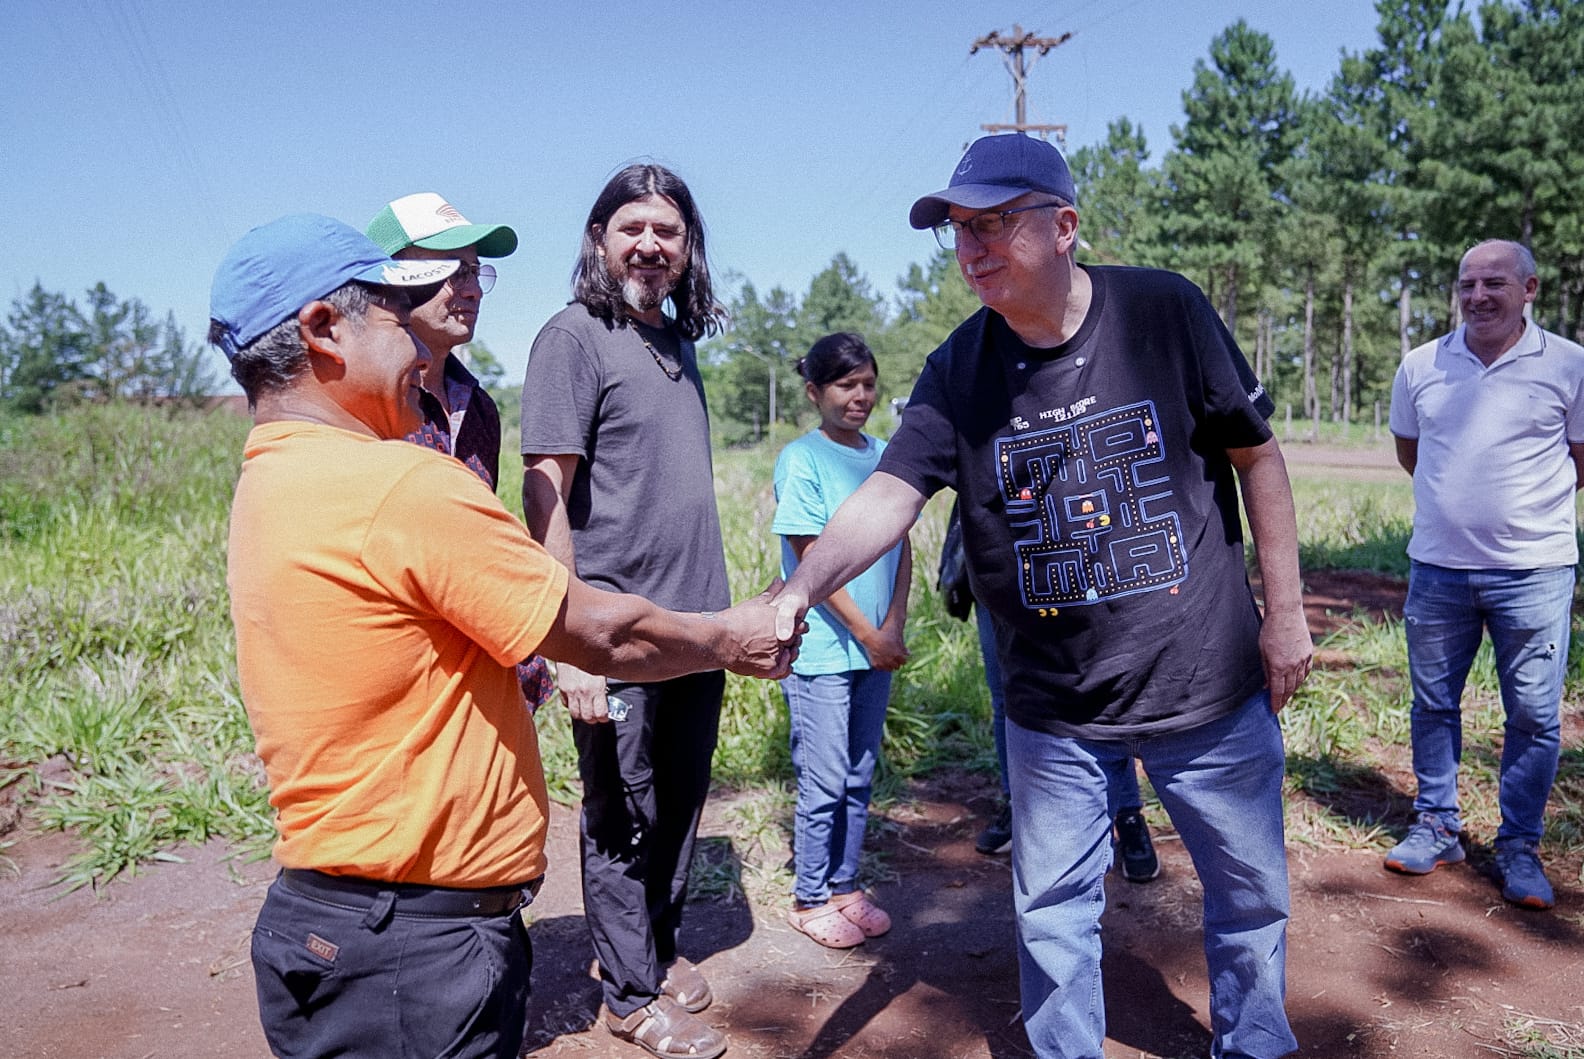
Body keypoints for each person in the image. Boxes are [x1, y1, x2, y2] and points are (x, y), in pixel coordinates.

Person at [771, 133, 1312, 1059]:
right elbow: (891, 494)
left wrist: (1288, 615)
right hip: (1053, 705)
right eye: (957, 229)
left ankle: (1255, 1042)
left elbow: (1255, 455)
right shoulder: (958, 366)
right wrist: (795, 592)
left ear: (1064, 226)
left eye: (993, 223)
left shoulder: (1163, 311)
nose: (971, 245)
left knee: (1249, 890)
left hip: (1204, 678)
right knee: (1053, 911)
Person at [210, 213, 794, 1059]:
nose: (414, 334)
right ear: (323, 330)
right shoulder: (399, 484)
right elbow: (596, 631)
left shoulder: (271, 478)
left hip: (335, 922)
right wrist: (729, 637)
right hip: (414, 948)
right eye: (390, 311)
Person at [519, 164, 732, 1058]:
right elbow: (545, 493)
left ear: (689, 250)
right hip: (613, 633)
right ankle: (631, 997)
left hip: (697, 630)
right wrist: (568, 642)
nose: (651, 245)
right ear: (600, 240)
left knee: (681, 801)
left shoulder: (679, 345)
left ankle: (649, 944)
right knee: (618, 812)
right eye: (632, 227)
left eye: (669, 231)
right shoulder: (572, 338)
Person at [1384, 239, 1584, 911]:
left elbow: (1580, 458)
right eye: (1466, 283)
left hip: (1535, 573)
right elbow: (1414, 453)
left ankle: (1519, 845)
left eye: (1494, 282)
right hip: (1438, 569)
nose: (1477, 295)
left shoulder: (1570, 365)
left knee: (1533, 715)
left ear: (1530, 289)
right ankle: (1437, 824)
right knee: (1433, 703)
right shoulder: (1421, 365)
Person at [366, 192, 553, 709]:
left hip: (487, 672)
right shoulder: (360, 404)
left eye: (475, 271)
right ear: (388, 278)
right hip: (401, 687)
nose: (470, 289)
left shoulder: (480, 408)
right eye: (450, 270)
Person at [774, 333, 911, 949]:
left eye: (867, 384)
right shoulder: (801, 459)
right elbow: (810, 558)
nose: (860, 397)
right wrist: (865, 632)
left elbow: (900, 544)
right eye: (845, 385)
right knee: (825, 777)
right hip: (825, 651)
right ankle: (808, 896)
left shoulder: (887, 455)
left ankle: (845, 885)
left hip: (876, 647)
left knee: (860, 773)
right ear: (815, 392)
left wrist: (894, 627)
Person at [949, 505, 1160, 881]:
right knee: (1006, 698)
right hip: (995, 568)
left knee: (1099, 695)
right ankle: (1017, 804)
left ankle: (1127, 815)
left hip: (1071, 561)